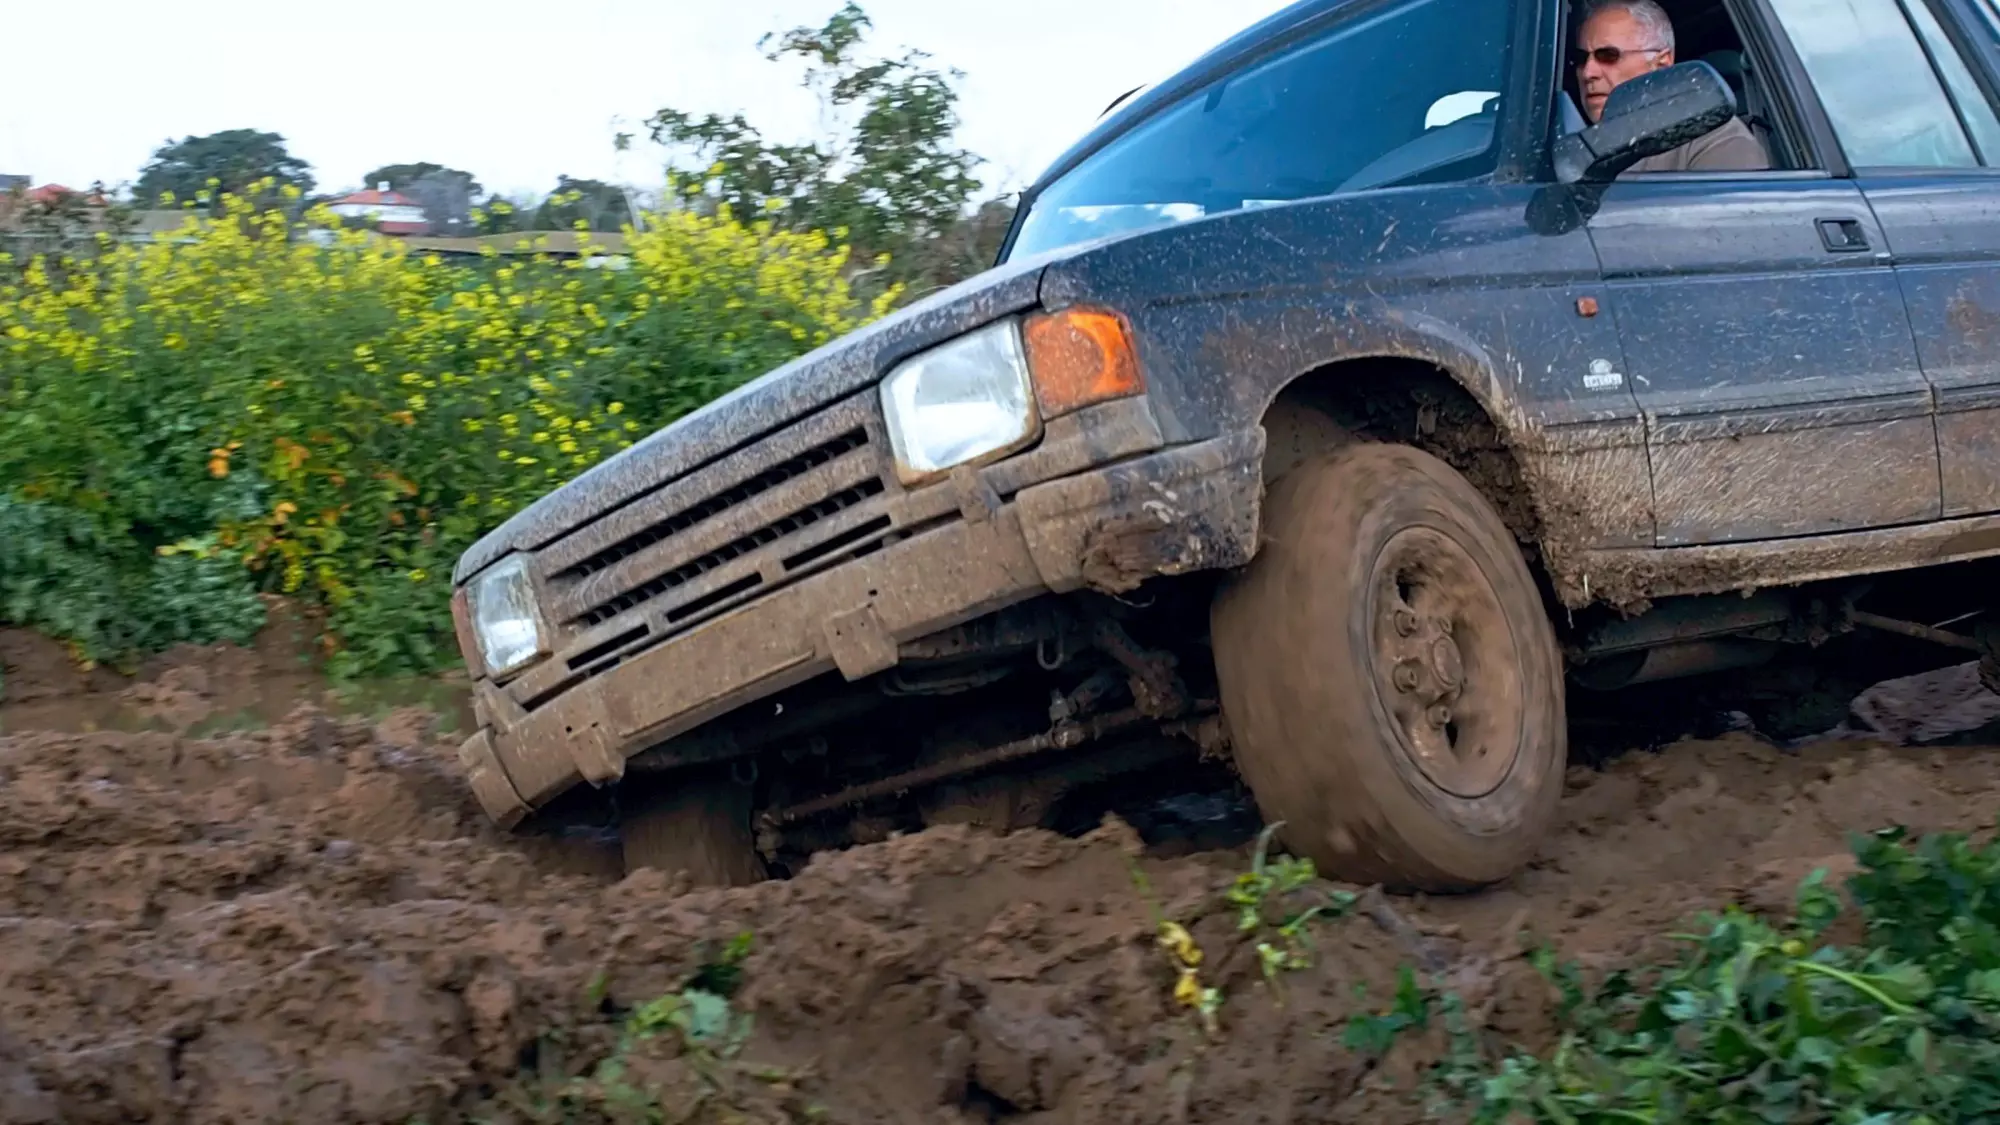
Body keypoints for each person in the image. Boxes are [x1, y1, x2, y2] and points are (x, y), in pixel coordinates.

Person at [1574, 0, 1773, 173]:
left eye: (1608, 56)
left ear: (1661, 64)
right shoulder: (1570, 149)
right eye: (1581, 59)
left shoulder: (1715, 141)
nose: (1588, 72)